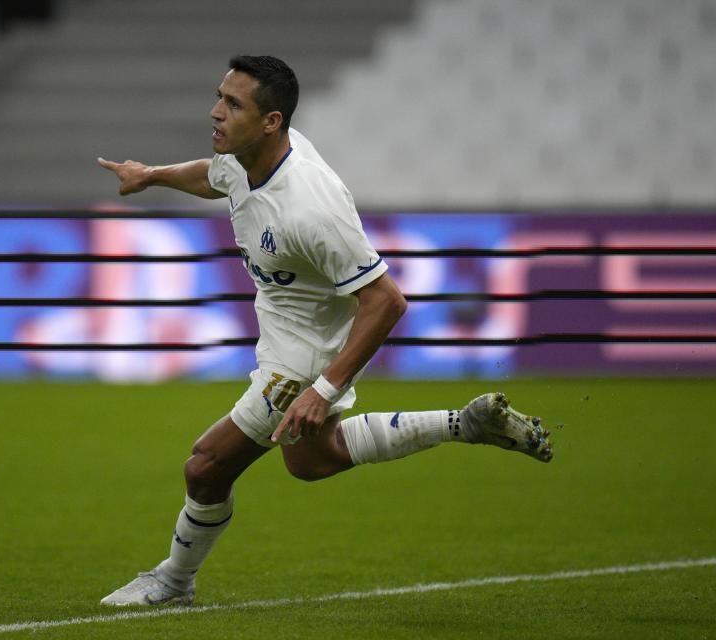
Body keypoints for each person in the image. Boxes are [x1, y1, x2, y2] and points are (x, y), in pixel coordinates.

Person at [96, 55, 553, 607]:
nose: (215, 112)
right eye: (219, 96)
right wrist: (152, 176)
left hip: (304, 359)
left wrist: (324, 388)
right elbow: (215, 177)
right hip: (285, 337)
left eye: (233, 104)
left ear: (272, 122)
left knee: (206, 465)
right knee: (313, 461)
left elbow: (386, 301)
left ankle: (173, 582)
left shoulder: (311, 209)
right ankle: (466, 423)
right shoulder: (245, 157)